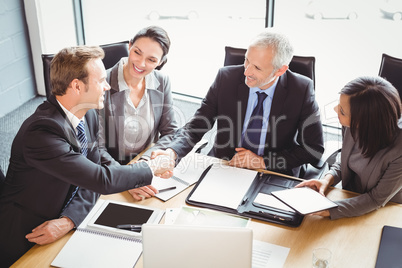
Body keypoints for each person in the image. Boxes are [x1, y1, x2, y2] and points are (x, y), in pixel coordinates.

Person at [0, 46, 173, 267]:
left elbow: (95, 167)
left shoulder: (87, 112)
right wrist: (151, 167)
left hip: (65, 218)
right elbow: (99, 179)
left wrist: (69, 220)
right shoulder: (42, 132)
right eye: (101, 80)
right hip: (28, 232)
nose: (108, 86)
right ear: (76, 86)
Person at [155, 29, 324, 177]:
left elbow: (313, 148)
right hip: (226, 165)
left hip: (273, 172)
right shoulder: (226, 78)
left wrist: (263, 162)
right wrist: (172, 152)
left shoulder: (301, 89)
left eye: (257, 68)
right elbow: (197, 125)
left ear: (280, 70)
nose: (247, 71)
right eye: (247, 60)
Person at [297, 76, 402, 219]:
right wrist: (327, 179)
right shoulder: (351, 125)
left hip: (386, 208)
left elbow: (376, 199)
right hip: (351, 196)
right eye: (339, 105)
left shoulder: (399, 150)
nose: (335, 110)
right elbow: (345, 158)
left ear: (365, 121)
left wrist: (331, 210)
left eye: (342, 111)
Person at [100, 26, 178, 201]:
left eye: (151, 59)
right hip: (111, 171)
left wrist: (144, 166)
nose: (141, 63)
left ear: (160, 62)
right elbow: (97, 148)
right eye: (137, 53)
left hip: (147, 165)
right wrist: (129, 177)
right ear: (129, 46)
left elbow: (170, 131)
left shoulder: (162, 81)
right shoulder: (102, 84)